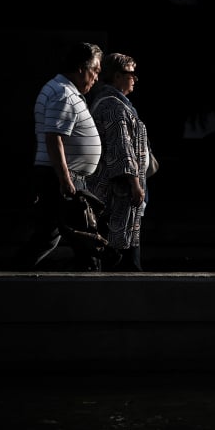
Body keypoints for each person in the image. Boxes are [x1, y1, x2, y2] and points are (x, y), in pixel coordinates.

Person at [17, 41, 105, 271]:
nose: (96, 77)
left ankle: (13, 274)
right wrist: (66, 179)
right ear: (81, 68)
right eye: (94, 71)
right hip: (62, 178)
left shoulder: (63, 89)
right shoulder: (63, 93)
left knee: (49, 234)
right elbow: (54, 137)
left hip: (62, 176)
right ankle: (94, 283)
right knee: (86, 238)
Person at [87, 53, 152, 271]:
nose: (135, 78)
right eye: (131, 73)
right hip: (117, 194)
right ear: (117, 76)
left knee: (122, 250)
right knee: (121, 252)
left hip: (118, 192)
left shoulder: (115, 103)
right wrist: (135, 183)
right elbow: (120, 148)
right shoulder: (113, 106)